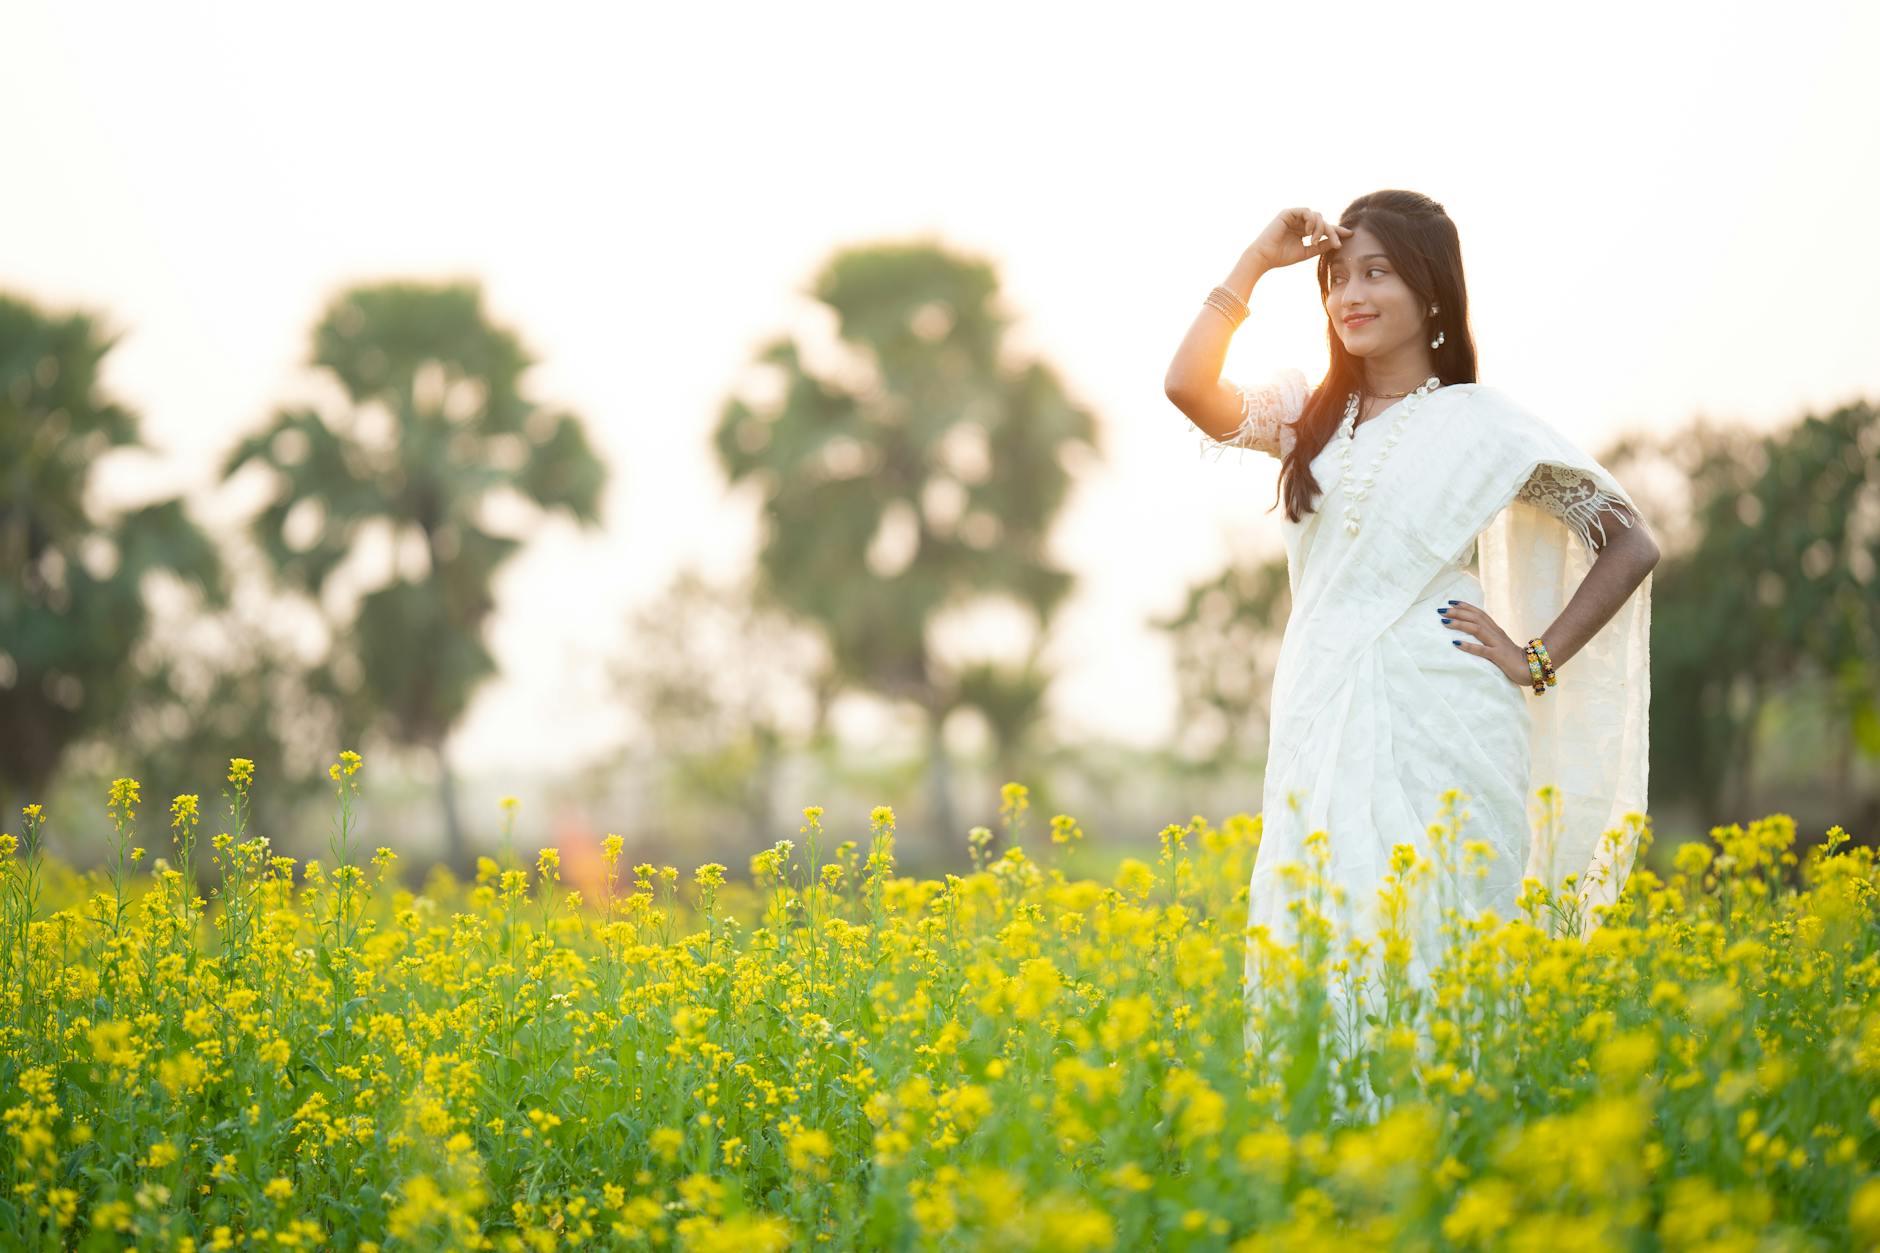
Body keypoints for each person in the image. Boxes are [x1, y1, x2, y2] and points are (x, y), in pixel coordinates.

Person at [1163, 192, 1660, 1064]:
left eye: (1376, 273)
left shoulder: (1486, 425)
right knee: (1317, 928)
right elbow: (1188, 387)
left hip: (1448, 716)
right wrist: (1255, 260)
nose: (1348, 295)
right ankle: (1328, 1171)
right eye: (1336, 277)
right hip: (1321, 708)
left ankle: (1445, 1160)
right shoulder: (1307, 416)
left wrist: (1534, 654)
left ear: (1430, 292)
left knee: (1439, 943)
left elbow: (1629, 540)